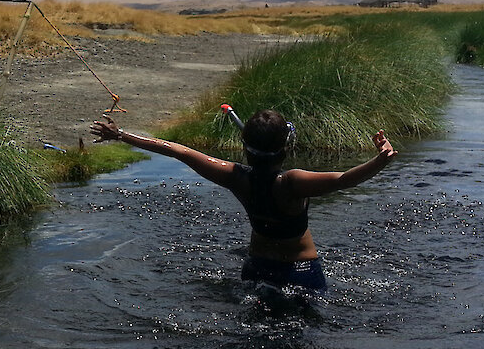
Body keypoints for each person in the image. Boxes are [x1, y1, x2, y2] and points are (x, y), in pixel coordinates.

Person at [89, 109, 397, 292]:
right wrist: (381, 159)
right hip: (301, 272)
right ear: (285, 146)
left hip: (256, 269)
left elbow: (177, 150)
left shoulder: (235, 176)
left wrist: (121, 135)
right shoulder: (293, 182)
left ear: (245, 146)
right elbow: (345, 180)